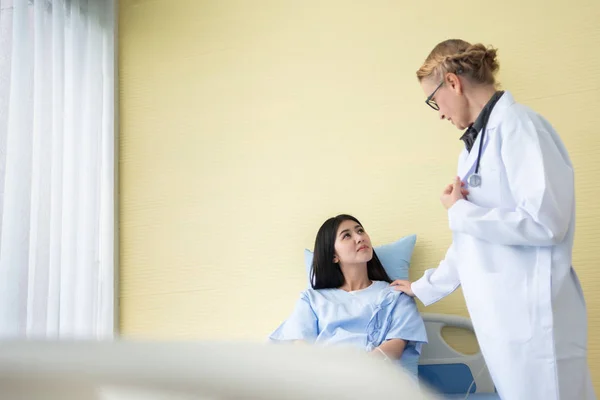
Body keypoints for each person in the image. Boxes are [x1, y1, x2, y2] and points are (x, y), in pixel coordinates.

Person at [391, 39, 595, 400]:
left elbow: (548, 223)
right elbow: (471, 241)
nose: (438, 112)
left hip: (535, 317)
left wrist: (461, 211)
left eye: (434, 101)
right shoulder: (473, 149)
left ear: (453, 83)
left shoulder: (521, 127)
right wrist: (423, 287)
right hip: (505, 320)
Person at [269, 214, 427, 378]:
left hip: (374, 380)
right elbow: (302, 346)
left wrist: (354, 376)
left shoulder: (396, 294)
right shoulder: (312, 299)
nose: (359, 238)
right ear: (333, 256)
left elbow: (396, 345)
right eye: (347, 235)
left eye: (360, 231)